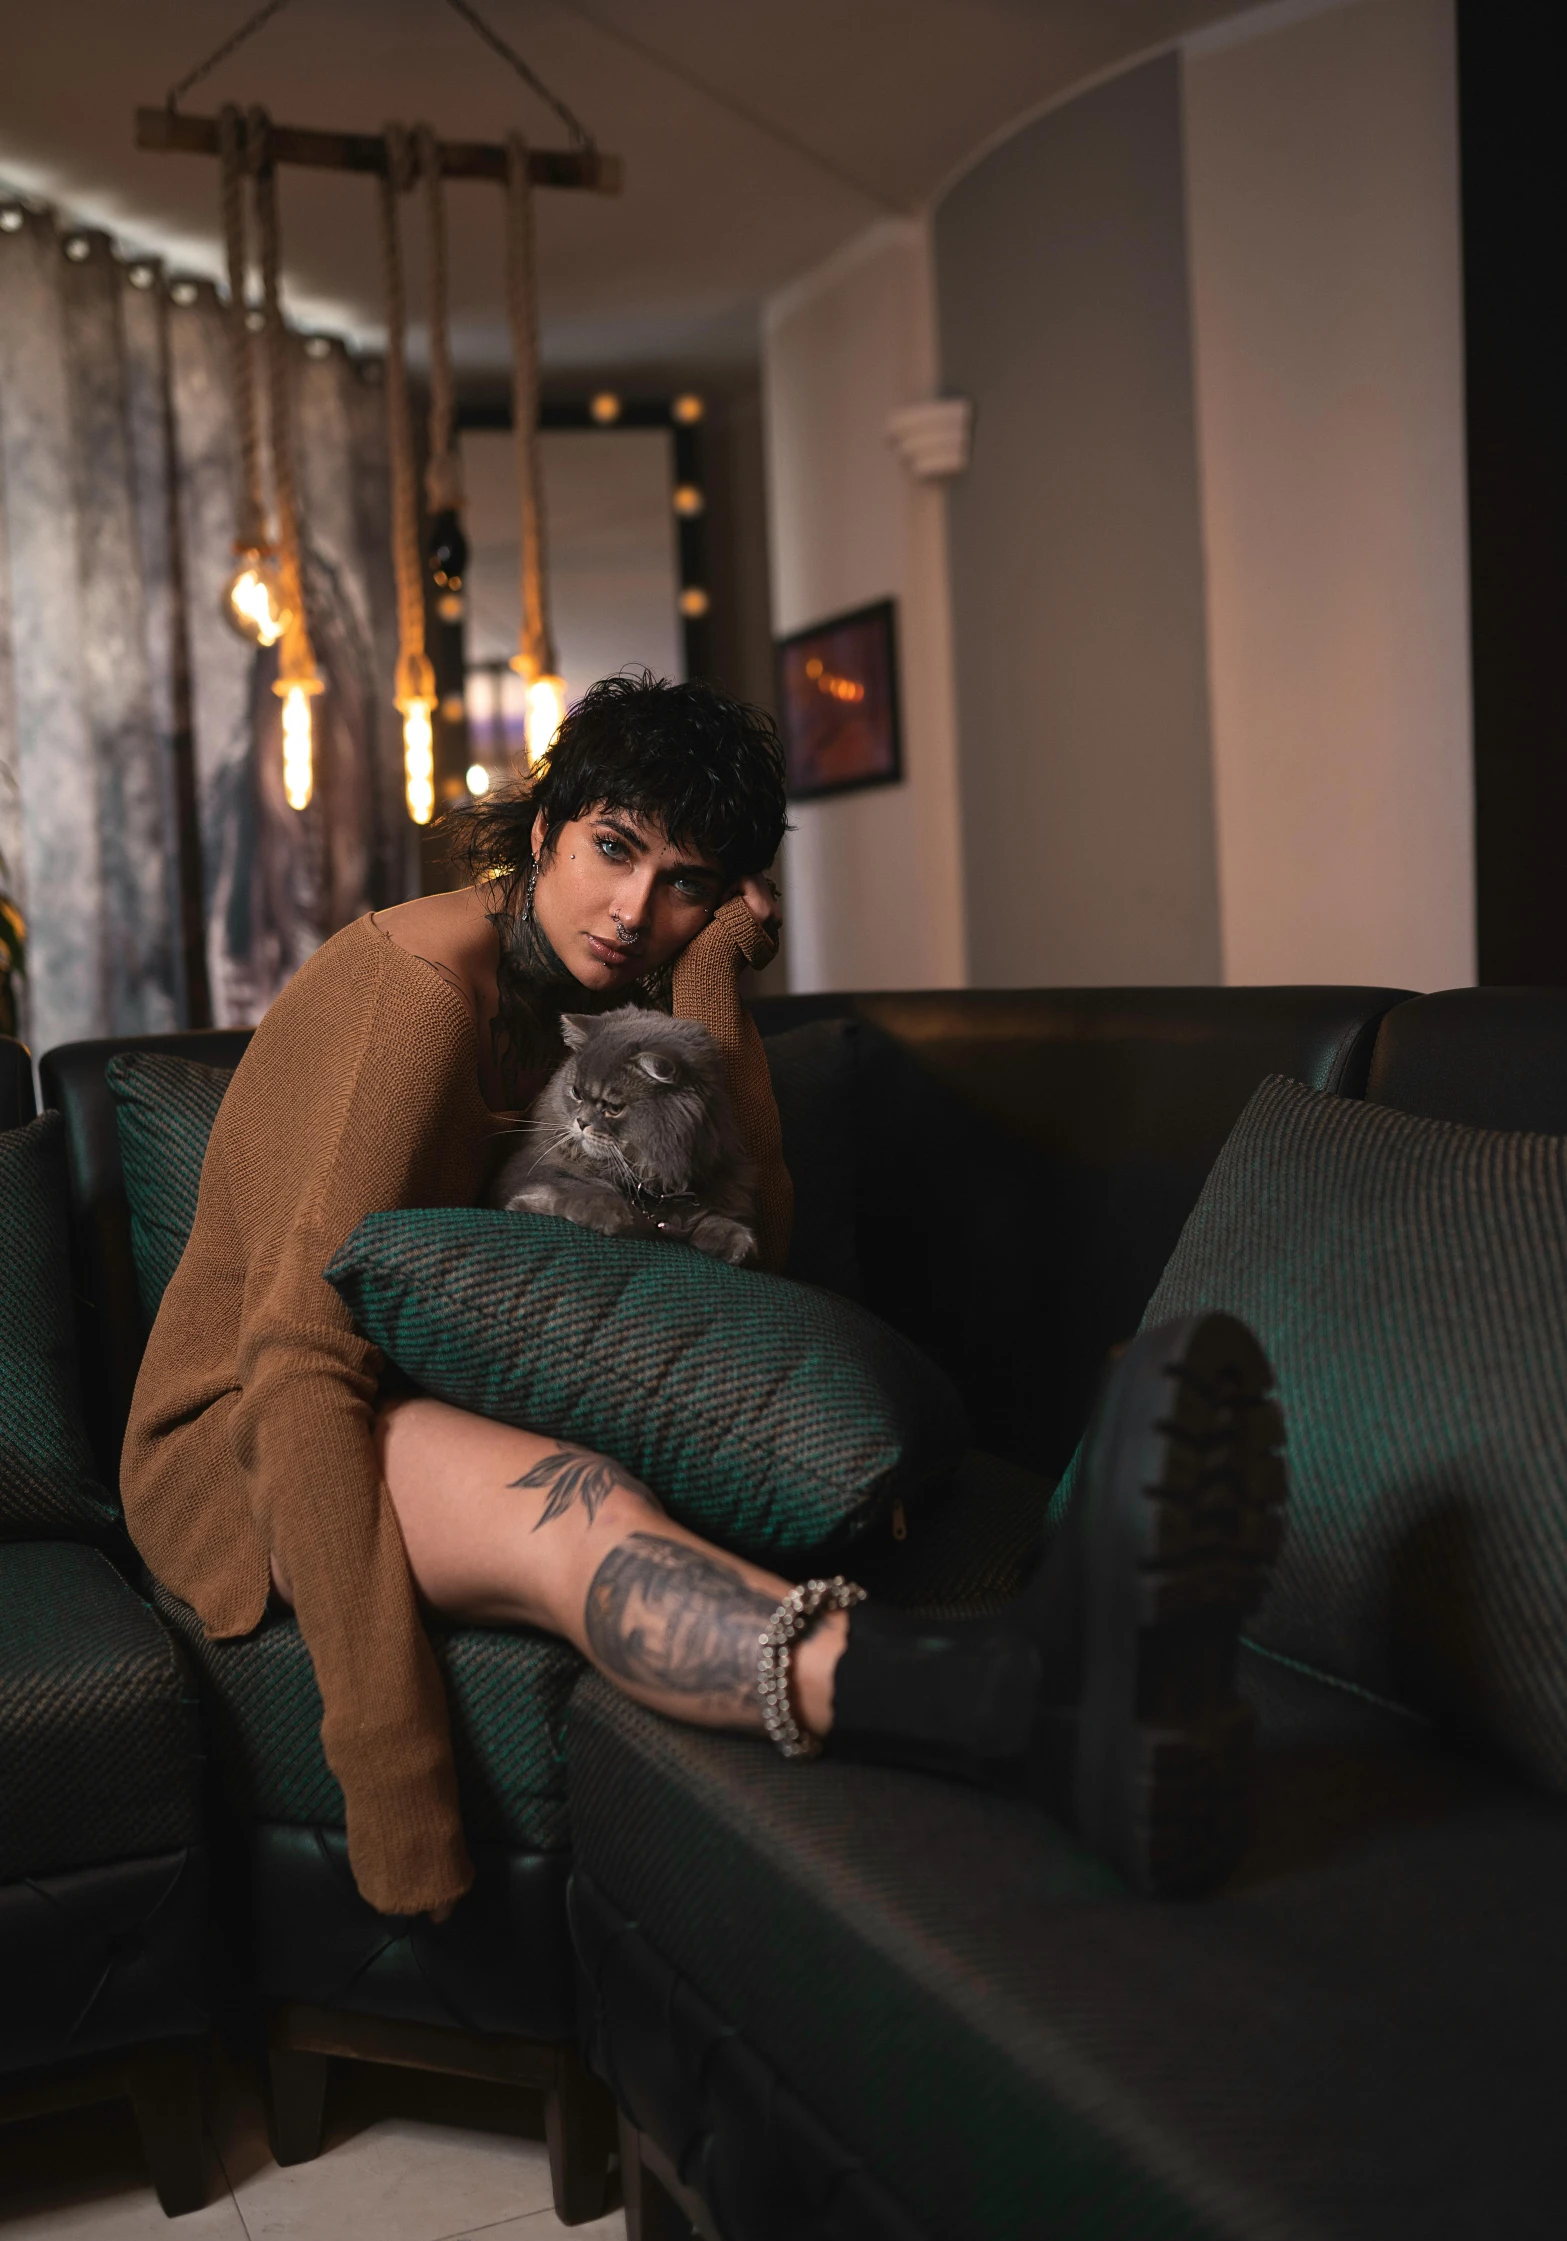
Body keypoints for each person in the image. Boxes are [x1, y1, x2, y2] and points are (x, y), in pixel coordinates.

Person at [121, 673, 1282, 1924]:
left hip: (422, 1385)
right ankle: (1021, 1704)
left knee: (660, 1489)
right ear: (547, 824)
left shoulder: (600, 994)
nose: (634, 911)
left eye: (685, 883)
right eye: (614, 849)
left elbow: (748, 1241)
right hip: (247, 1440)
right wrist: (392, 1780)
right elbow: (299, 1355)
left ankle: (1050, 1684)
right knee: (582, 1514)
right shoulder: (411, 993)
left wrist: (713, 978)